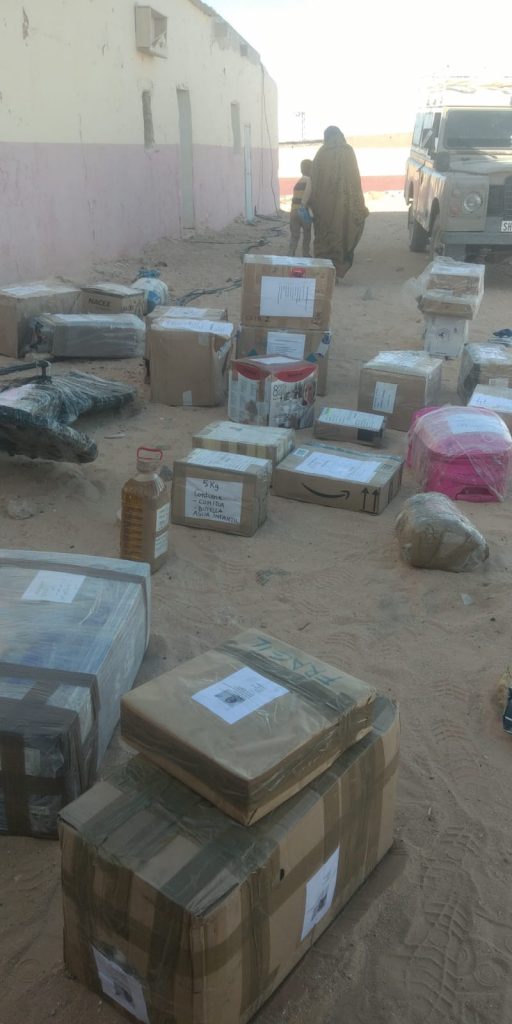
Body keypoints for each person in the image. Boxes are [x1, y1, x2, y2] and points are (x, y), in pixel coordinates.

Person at [310, 126, 368, 281]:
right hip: (346, 208)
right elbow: (355, 181)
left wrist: (313, 203)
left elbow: (314, 181)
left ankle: (324, 274)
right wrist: (358, 206)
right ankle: (338, 268)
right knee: (345, 233)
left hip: (324, 207)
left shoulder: (322, 153)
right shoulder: (348, 152)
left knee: (324, 237)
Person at [288, 159, 313, 257]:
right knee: (307, 234)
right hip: (304, 212)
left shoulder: (298, 183)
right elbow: (310, 197)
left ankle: (291, 253)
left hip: (294, 212)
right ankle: (305, 254)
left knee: (294, 235)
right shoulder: (310, 181)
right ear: (311, 170)